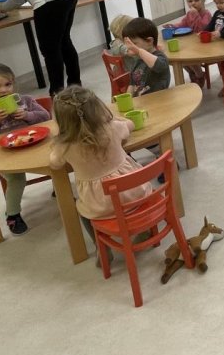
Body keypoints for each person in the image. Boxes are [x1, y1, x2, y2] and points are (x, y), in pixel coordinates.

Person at [48, 86, 149, 262]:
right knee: (134, 185)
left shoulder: (64, 145)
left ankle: (101, 248)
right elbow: (130, 125)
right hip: (136, 193)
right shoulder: (112, 128)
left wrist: (57, 142)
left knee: (82, 210)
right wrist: (114, 118)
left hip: (99, 206)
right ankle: (145, 228)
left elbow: (54, 164)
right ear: (97, 109)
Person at [0, 63, 52, 235]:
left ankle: (62, 191)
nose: (3, 90)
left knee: (56, 160)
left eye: (7, 84)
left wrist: (27, 115)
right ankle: (13, 214)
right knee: (16, 179)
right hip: (4, 156)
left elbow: (46, 117)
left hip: (33, 146)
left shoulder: (25, 101)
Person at [163, 0, 213, 86]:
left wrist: (196, 15)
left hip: (205, 44)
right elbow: (183, 23)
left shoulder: (206, 14)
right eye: (190, 1)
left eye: (196, 0)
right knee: (180, 57)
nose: (193, 3)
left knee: (189, 57)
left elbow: (203, 27)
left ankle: (200, 75)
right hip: (193, 43)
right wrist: (173, 26)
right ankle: (193, 73)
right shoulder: (189, 14)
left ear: (203, 0)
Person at [121, 17, 170, 96]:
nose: (130, 47)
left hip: (159, 100)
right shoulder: (138, 60)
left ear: (149, 41)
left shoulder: (160, 57)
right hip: (141, 100)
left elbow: (158, 65)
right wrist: (128, 98)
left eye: (134, 43)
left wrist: (138, 50)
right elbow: (132, 84)